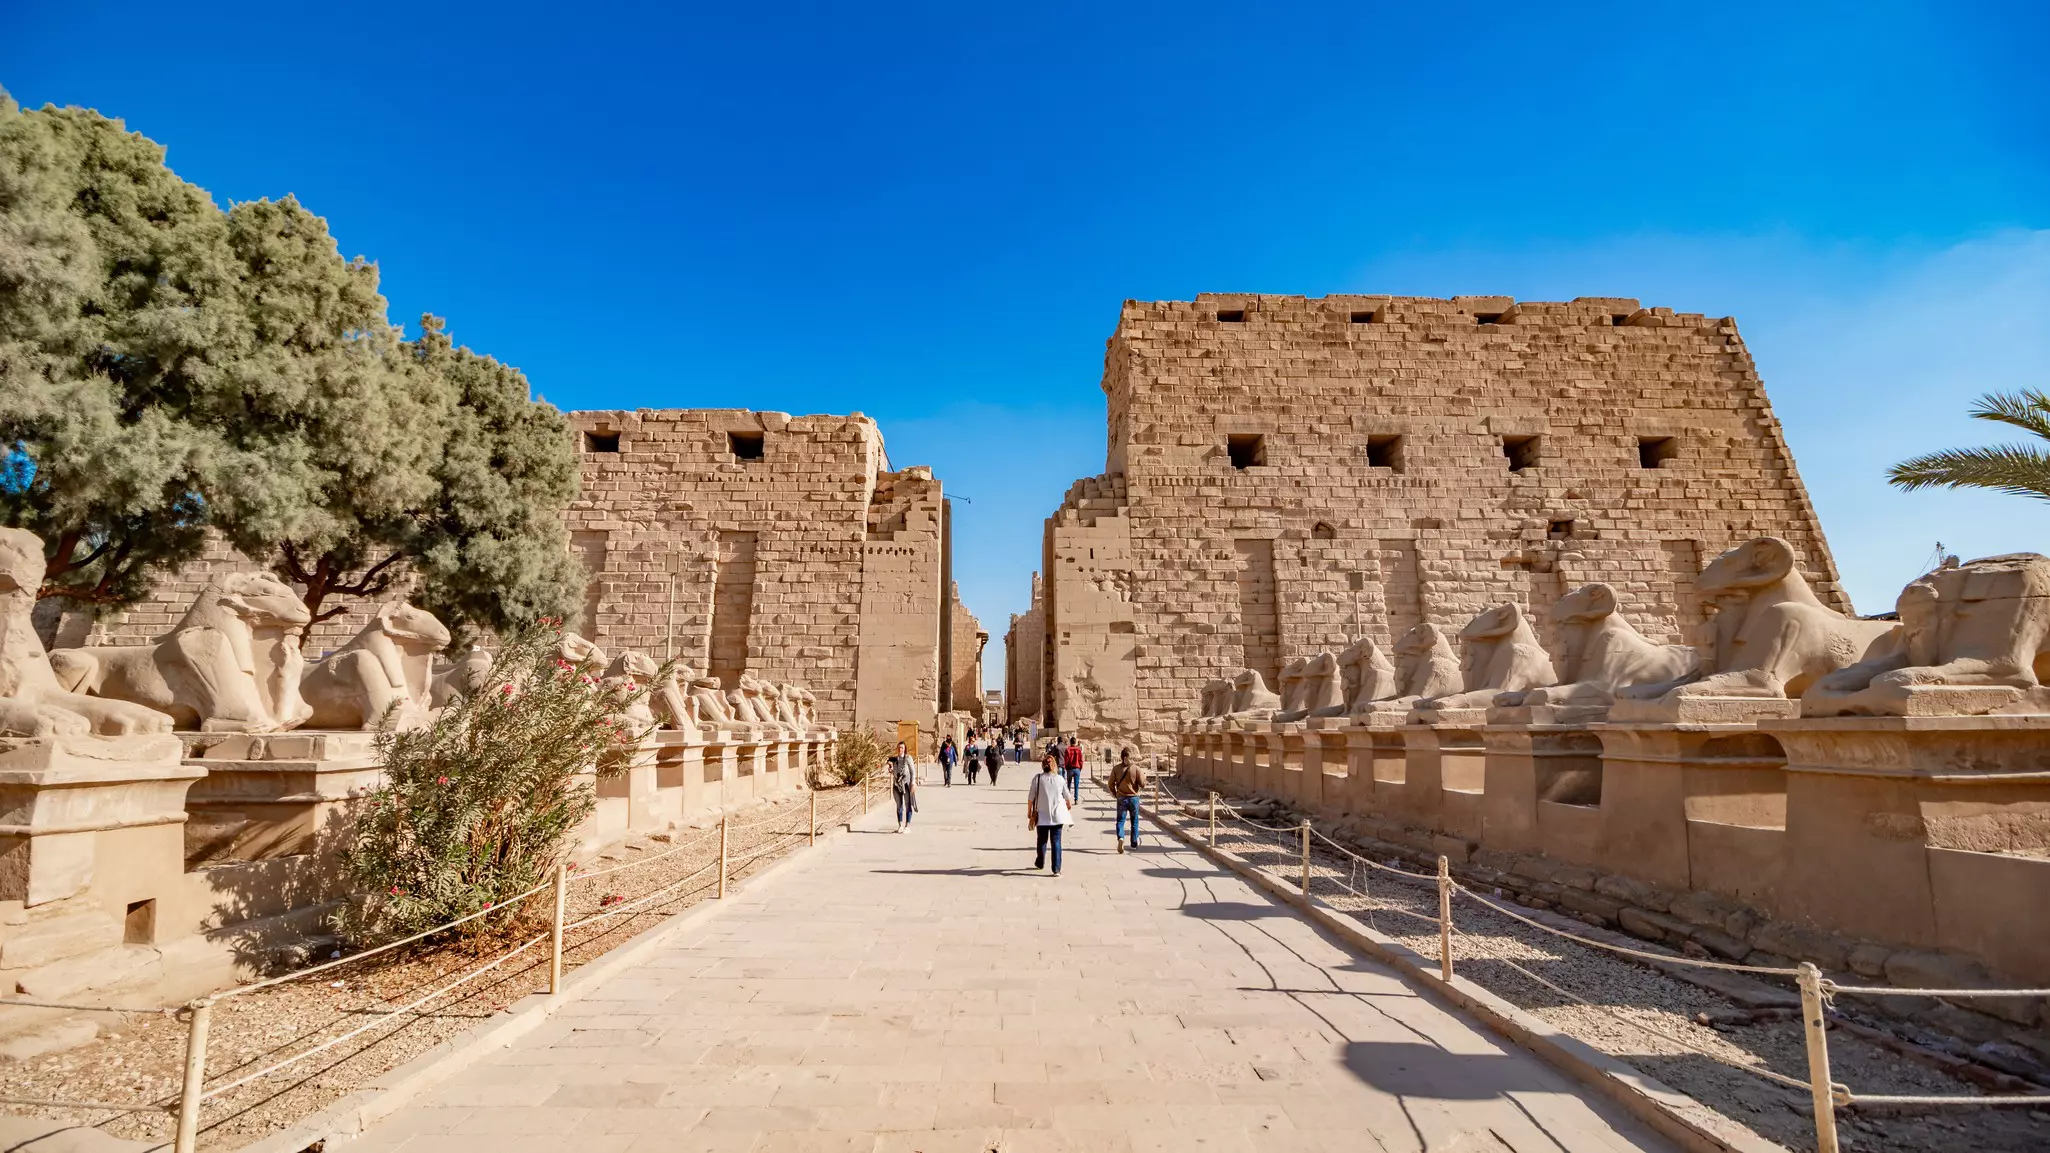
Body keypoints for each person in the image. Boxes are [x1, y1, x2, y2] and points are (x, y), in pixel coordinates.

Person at [1027, 752, 1073, 875]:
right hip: (1057, 816)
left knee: (1042, 840)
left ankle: (1040, 862)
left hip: (1042, 815)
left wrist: (1029, 811)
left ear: (1043, 765)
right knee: (1056, 841)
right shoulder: (1060, 779)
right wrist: (1068, 806)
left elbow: (1031, 797)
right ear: (1054, 766)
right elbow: (1068, 797)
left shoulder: (1037, 778)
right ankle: (1056, 869)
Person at [1109, 748, 1146, 853]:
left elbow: (1110, 783)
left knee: (1120, 820)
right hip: (1134, 798)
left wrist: (1115, 793)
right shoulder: (1136, 768)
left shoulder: (1116, 769)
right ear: (1126, 758)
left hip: (1121, 797)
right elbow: (1143, 784)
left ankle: (1120, 837)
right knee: (1134, 821)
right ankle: (1134, 842)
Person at [890, 741, 918, 832]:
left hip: (906, 784)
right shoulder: (894, 759)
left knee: (907, 804)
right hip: (896, 784)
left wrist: (913, 783)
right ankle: (900, 825)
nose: (900, 749)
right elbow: (893, 771)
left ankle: (907, 825)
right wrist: (891, 770)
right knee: (899, 805)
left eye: (902, 747)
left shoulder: (908, 758)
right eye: (899, 747)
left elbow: (912, 771)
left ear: (905, 749)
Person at [1061, 737, 1084, 803]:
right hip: (1077, 768)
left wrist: (1066, 767)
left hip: (1070, 769)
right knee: (1076, 785)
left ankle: (1068, 799)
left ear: (1070, 742)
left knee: (1069, 784)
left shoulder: (1068, 750)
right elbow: (1081, 760)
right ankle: (1076, 799)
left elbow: (1066, 760)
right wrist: (1080, 768)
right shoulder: (1078, 750)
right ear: (1075, 742)